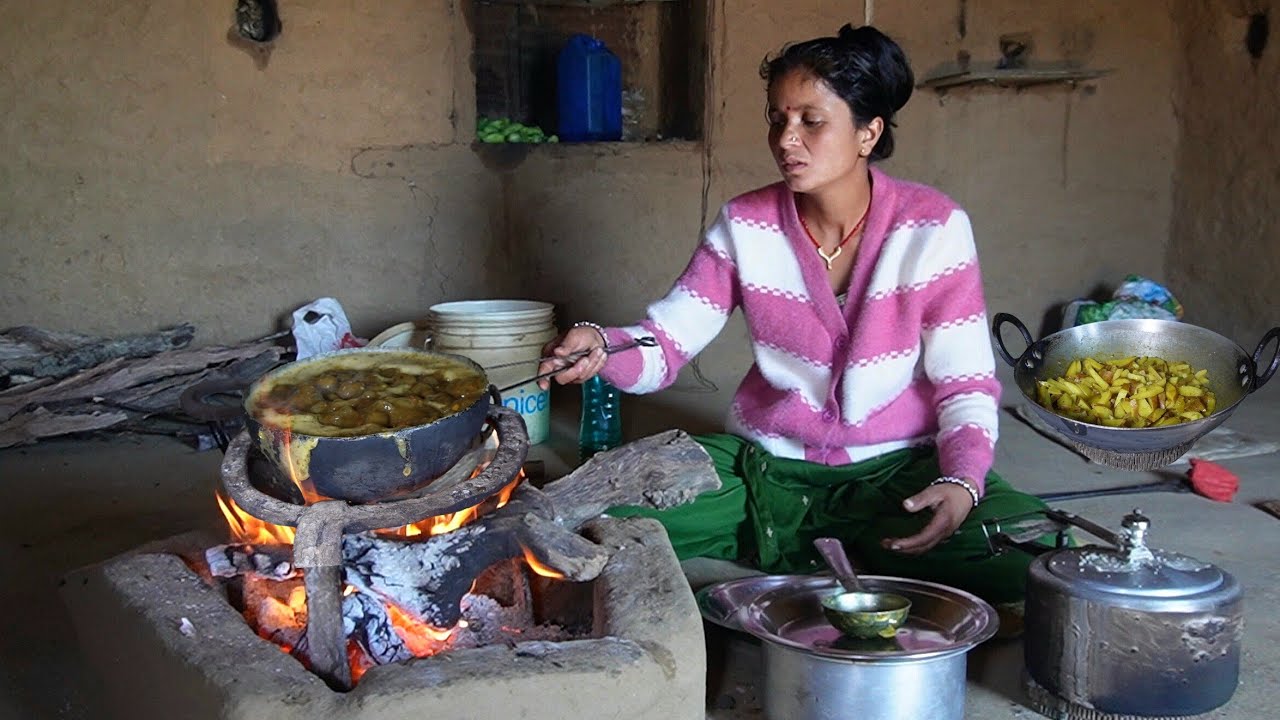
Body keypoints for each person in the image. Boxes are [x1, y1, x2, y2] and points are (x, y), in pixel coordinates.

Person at [537, 24, 1049, 612]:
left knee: (1039, 556)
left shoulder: (933, 227)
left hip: (898, 471)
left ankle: (841, 536)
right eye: (777, 119)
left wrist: (960, 481)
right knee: (580, 519)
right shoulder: (745, 224)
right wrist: (604, 348)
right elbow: (668, 342)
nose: (786, 139)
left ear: (868, 132)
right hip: (764, 469)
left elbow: (965, 384)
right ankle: (822, 538)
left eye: (812, 121)